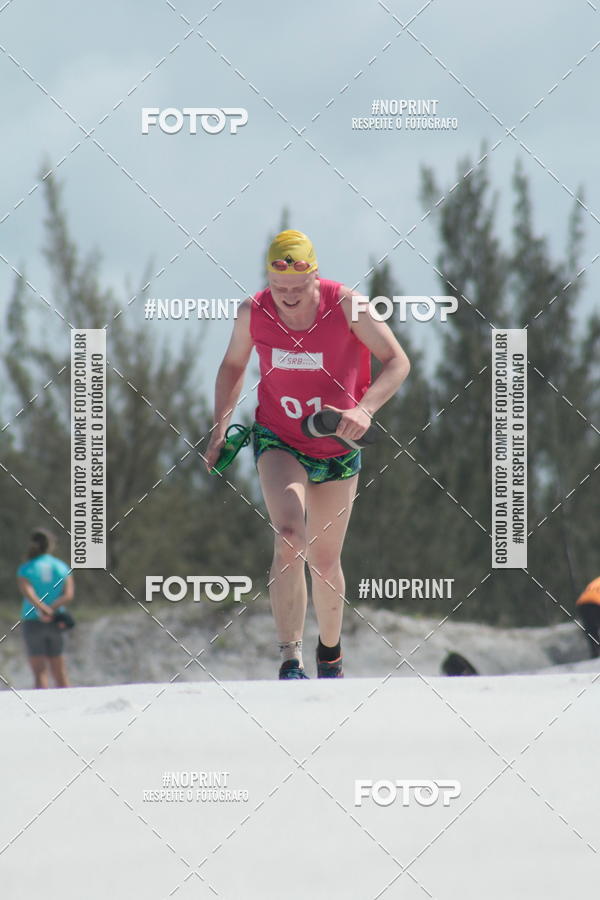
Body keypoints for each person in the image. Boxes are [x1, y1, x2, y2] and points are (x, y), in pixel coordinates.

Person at [205, 229, 410, 679]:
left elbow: (398, 361)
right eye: (280, 287)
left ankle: (330, 652)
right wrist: (219, 428)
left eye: (298, 287)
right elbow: (233, 366)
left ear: (315, 277)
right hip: (280, 438)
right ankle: (289, 659)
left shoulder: (349, 306)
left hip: (338, 445)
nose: (289, 296)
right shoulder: (253, 312)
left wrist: (364, 409)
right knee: (289, 537)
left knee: (324, 562)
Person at [17, 528, 74, 688]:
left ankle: (42, 703)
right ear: (51, 545)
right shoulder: (61, 566)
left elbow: (28, 593)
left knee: (40, 672)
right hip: (56, 620)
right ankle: (69, 702)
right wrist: (52, 609)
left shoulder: (26, 568)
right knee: (59, 671)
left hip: (33, 620)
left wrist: (42, 609)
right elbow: (68, 595)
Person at [575, 576, 600, 659]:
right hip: (596, 602)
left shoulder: (597, 580)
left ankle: (595, 653)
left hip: (582, 603)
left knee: (591, 629)